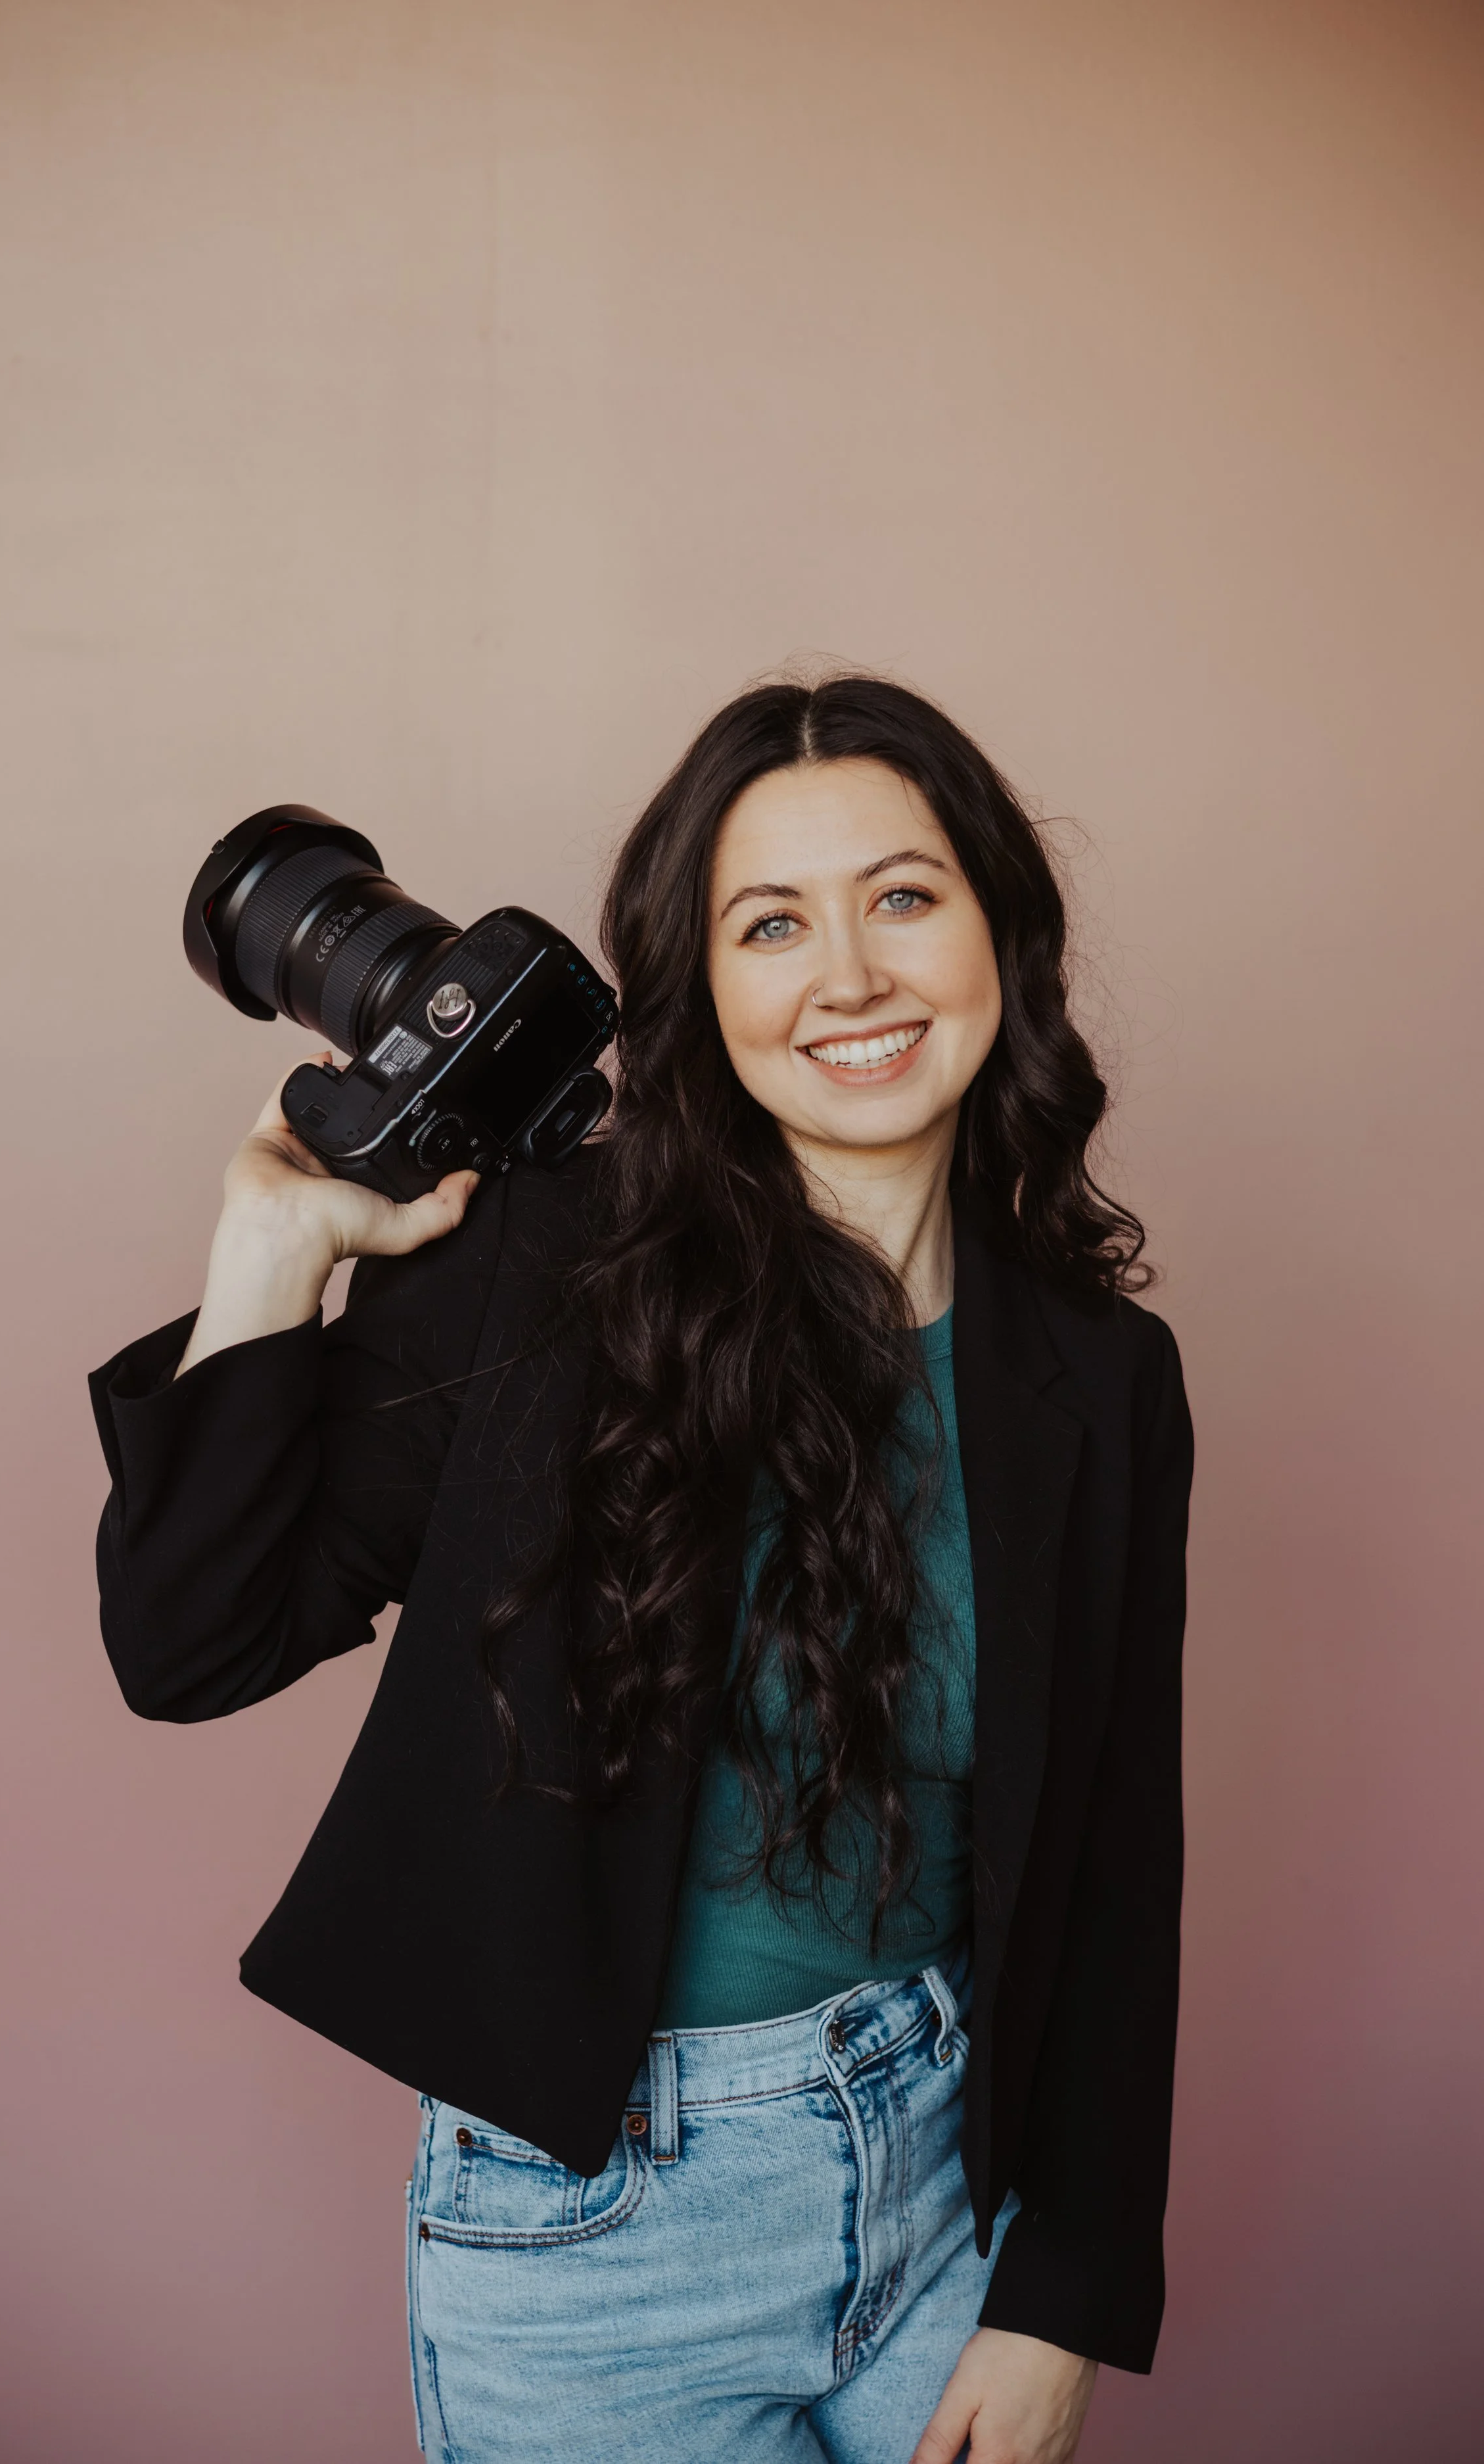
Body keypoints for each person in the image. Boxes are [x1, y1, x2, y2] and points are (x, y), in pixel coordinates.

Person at [90, 676, 1192, 2464]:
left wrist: (1061, 2289)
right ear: (702, 986)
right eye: (773, 923)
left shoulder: (1100, 1372)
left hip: (946, 2180)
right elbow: (186, 1642)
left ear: (1003, 931)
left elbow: (1116, 1849)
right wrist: (271, 1249)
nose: (850, 975)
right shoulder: (548, 1265)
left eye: (903, 896)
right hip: (597, 2237)